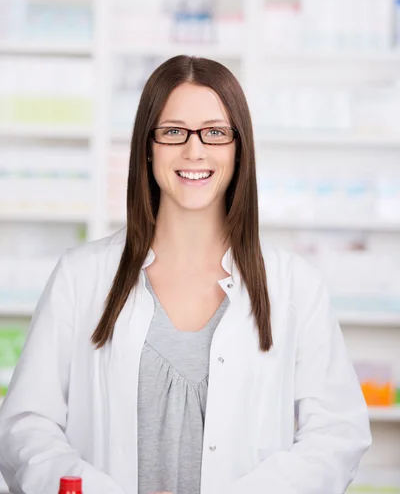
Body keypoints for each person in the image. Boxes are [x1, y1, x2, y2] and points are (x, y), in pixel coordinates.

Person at [0, 55, 371, 494]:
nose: (194, 151)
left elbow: (337, 435)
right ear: (148, 146)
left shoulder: (295, 287)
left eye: (214, 133)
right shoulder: (80, 278)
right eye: (174, 132)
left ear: (238, 148)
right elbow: (26, 426)